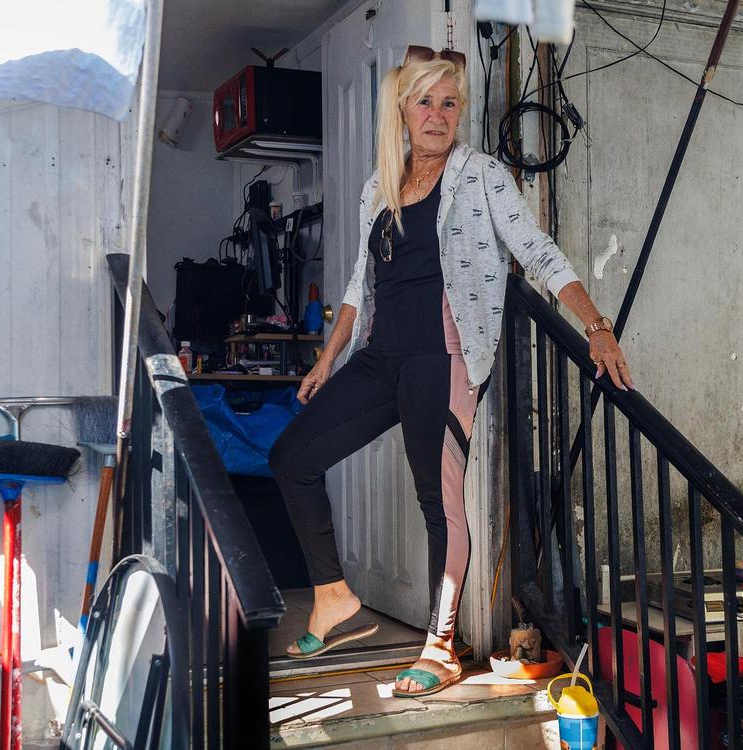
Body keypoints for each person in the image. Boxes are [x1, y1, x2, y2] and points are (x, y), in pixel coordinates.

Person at [269, 45, 633, 698]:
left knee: (439, 502)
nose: (437, 114)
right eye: (424, 101)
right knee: (292, 455)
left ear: (458, 111)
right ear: (403, 110)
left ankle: (441, 647)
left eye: (449, 102)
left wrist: (596, 324)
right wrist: (328, 358)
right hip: (380, 357)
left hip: (447, 356)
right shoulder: (378, 185)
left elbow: (536, 250)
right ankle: (332, 596)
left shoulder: (481, 176)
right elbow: (358, 282)